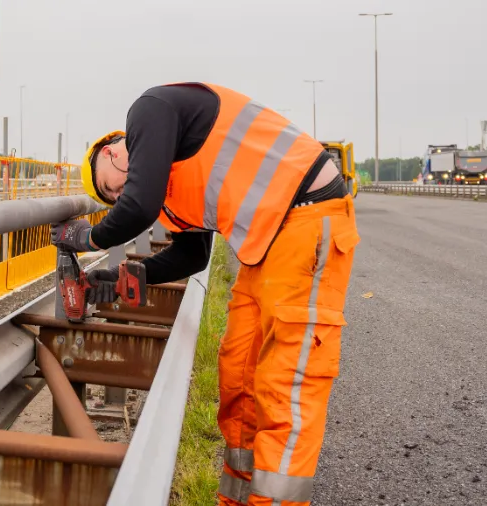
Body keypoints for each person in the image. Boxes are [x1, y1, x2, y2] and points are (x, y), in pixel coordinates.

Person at [50, 82, 360, 506]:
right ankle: (235, 498)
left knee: (284, 380)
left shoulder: (149, 110)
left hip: (309, 215)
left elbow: (136, 209)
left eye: (113, 187)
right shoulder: (171, 190)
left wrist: (88, 237)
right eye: (112, 198)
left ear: (113, 151)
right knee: (239, 374)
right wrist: (124, 274)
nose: (120, 196)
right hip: (265, 245)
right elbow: (191, 255)